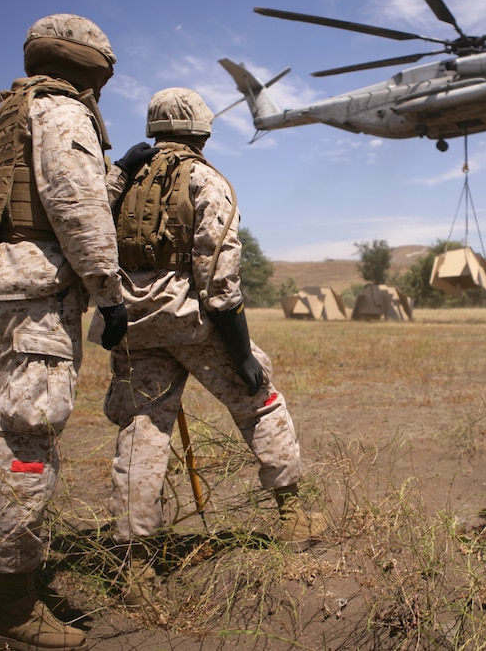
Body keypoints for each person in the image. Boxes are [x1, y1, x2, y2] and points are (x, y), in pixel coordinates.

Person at [0, 14, 157, 651]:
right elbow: (75, 207)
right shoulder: (64, 113)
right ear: (94, 69)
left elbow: (41, 197)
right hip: (35, 301)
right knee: (21, 441)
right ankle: (8, 612)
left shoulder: (11, 110)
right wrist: (108, 293)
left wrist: (116, 170)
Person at [97, 87, 326, 608]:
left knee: (141, 433)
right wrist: (242, 354)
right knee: (259, 401)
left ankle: (134, 565)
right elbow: (219, 280)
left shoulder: (123, 180)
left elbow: (87, 226)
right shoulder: (207, 180)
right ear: (202, 131)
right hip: (192, 320)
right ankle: (291, 516)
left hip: (133, 323)